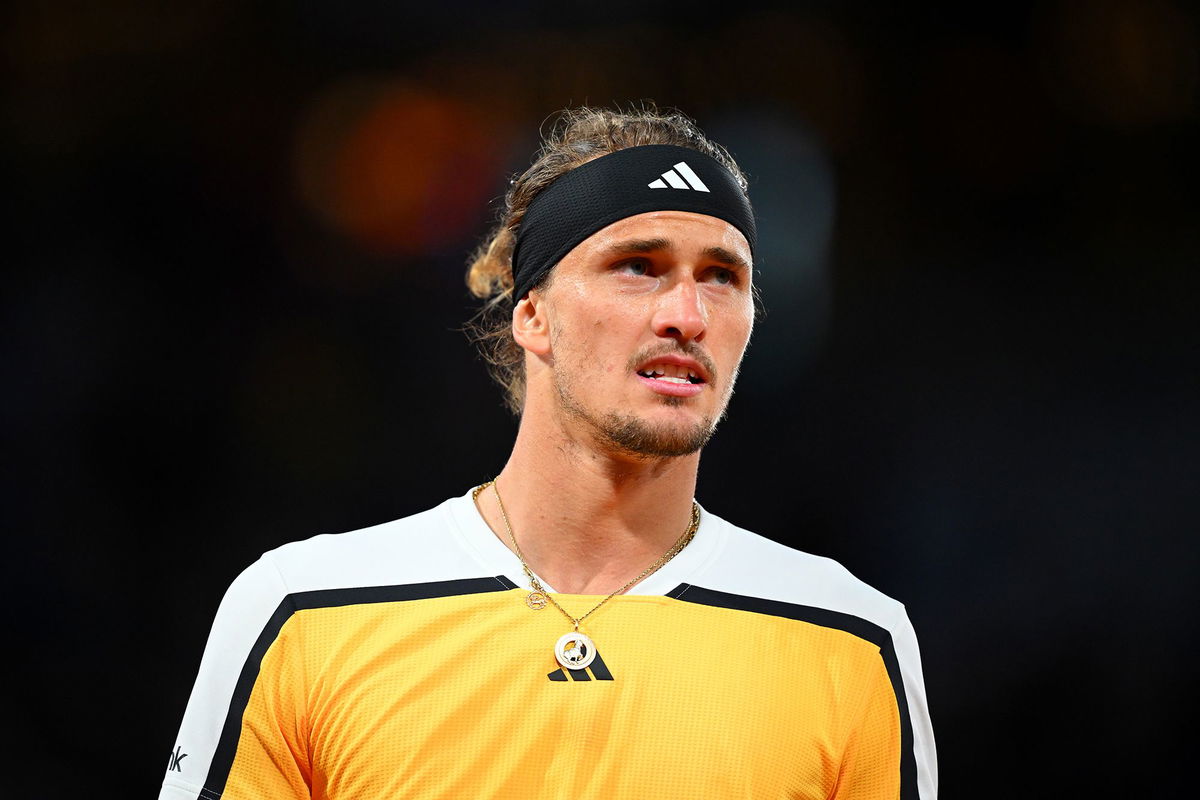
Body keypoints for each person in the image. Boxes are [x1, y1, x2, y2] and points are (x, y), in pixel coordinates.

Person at [160, 106, 937, 800]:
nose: (688, 314)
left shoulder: (849, 639)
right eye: (638, 267)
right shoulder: (305, 612)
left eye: (722, 277)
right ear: (531, 315)